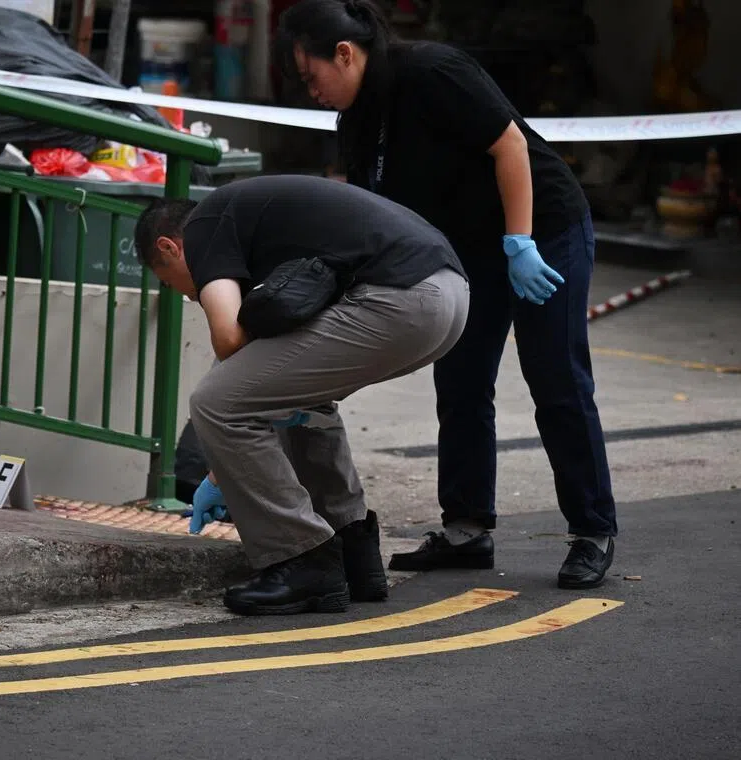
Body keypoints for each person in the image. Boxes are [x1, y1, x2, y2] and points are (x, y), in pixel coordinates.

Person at [276, 0, 619, 589]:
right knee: (459, 380)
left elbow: (510, 146)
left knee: (555, 376)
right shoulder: (357, 121)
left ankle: (593, 530)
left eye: (311, 76)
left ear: (345, 53)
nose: (311, 91)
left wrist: (520, 243)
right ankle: (466, 529)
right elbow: (375, 220)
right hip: (466, 252)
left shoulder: (433, 72)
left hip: (542, 229)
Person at [134, 174, 469, 615]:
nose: (179, 293)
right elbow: (268, 372)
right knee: (300, 395)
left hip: (398, 298)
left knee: (216, 402)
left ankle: (300, 559)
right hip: (449, 298)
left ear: (168, 248)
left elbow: (229, 340)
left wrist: (221, 475)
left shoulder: (204, 227)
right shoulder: (255, 225)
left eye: (167, 281)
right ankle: (352, 552)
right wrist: (224, 472)